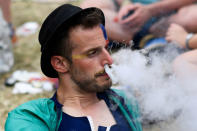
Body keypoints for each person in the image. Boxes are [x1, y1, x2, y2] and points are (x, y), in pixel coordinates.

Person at [5, 4, 142, 131]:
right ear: (60, 64)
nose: (109, 60)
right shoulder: (29, 118)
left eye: (106, 48)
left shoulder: (126, 102)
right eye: (92, 53)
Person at [81, 0, 197, 48]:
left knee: (193, 16)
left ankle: (152, 36)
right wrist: (126, 3)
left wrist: (151, 10)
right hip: (127, 13)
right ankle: (137, 38)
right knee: (89, 8)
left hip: (171, 15)